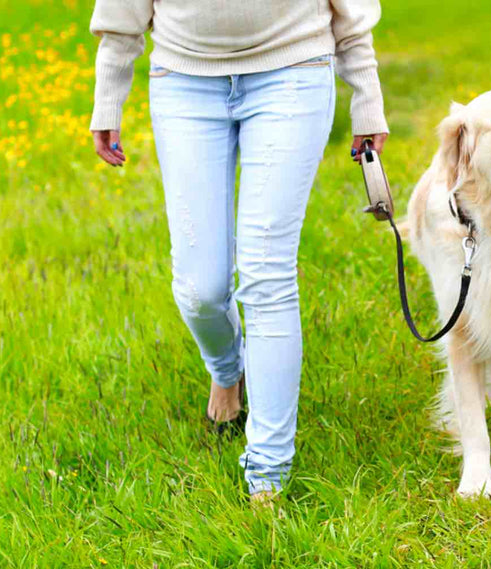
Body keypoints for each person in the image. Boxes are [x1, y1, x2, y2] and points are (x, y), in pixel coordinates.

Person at [88, 0, 388, 503]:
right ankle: (228, 371)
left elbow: (353, 15)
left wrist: (367, 98)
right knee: (199, 289)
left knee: (267, 275)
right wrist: (108, 97)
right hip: (183, 81)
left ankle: (267, 475)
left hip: (293, 71)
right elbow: (122, 13)